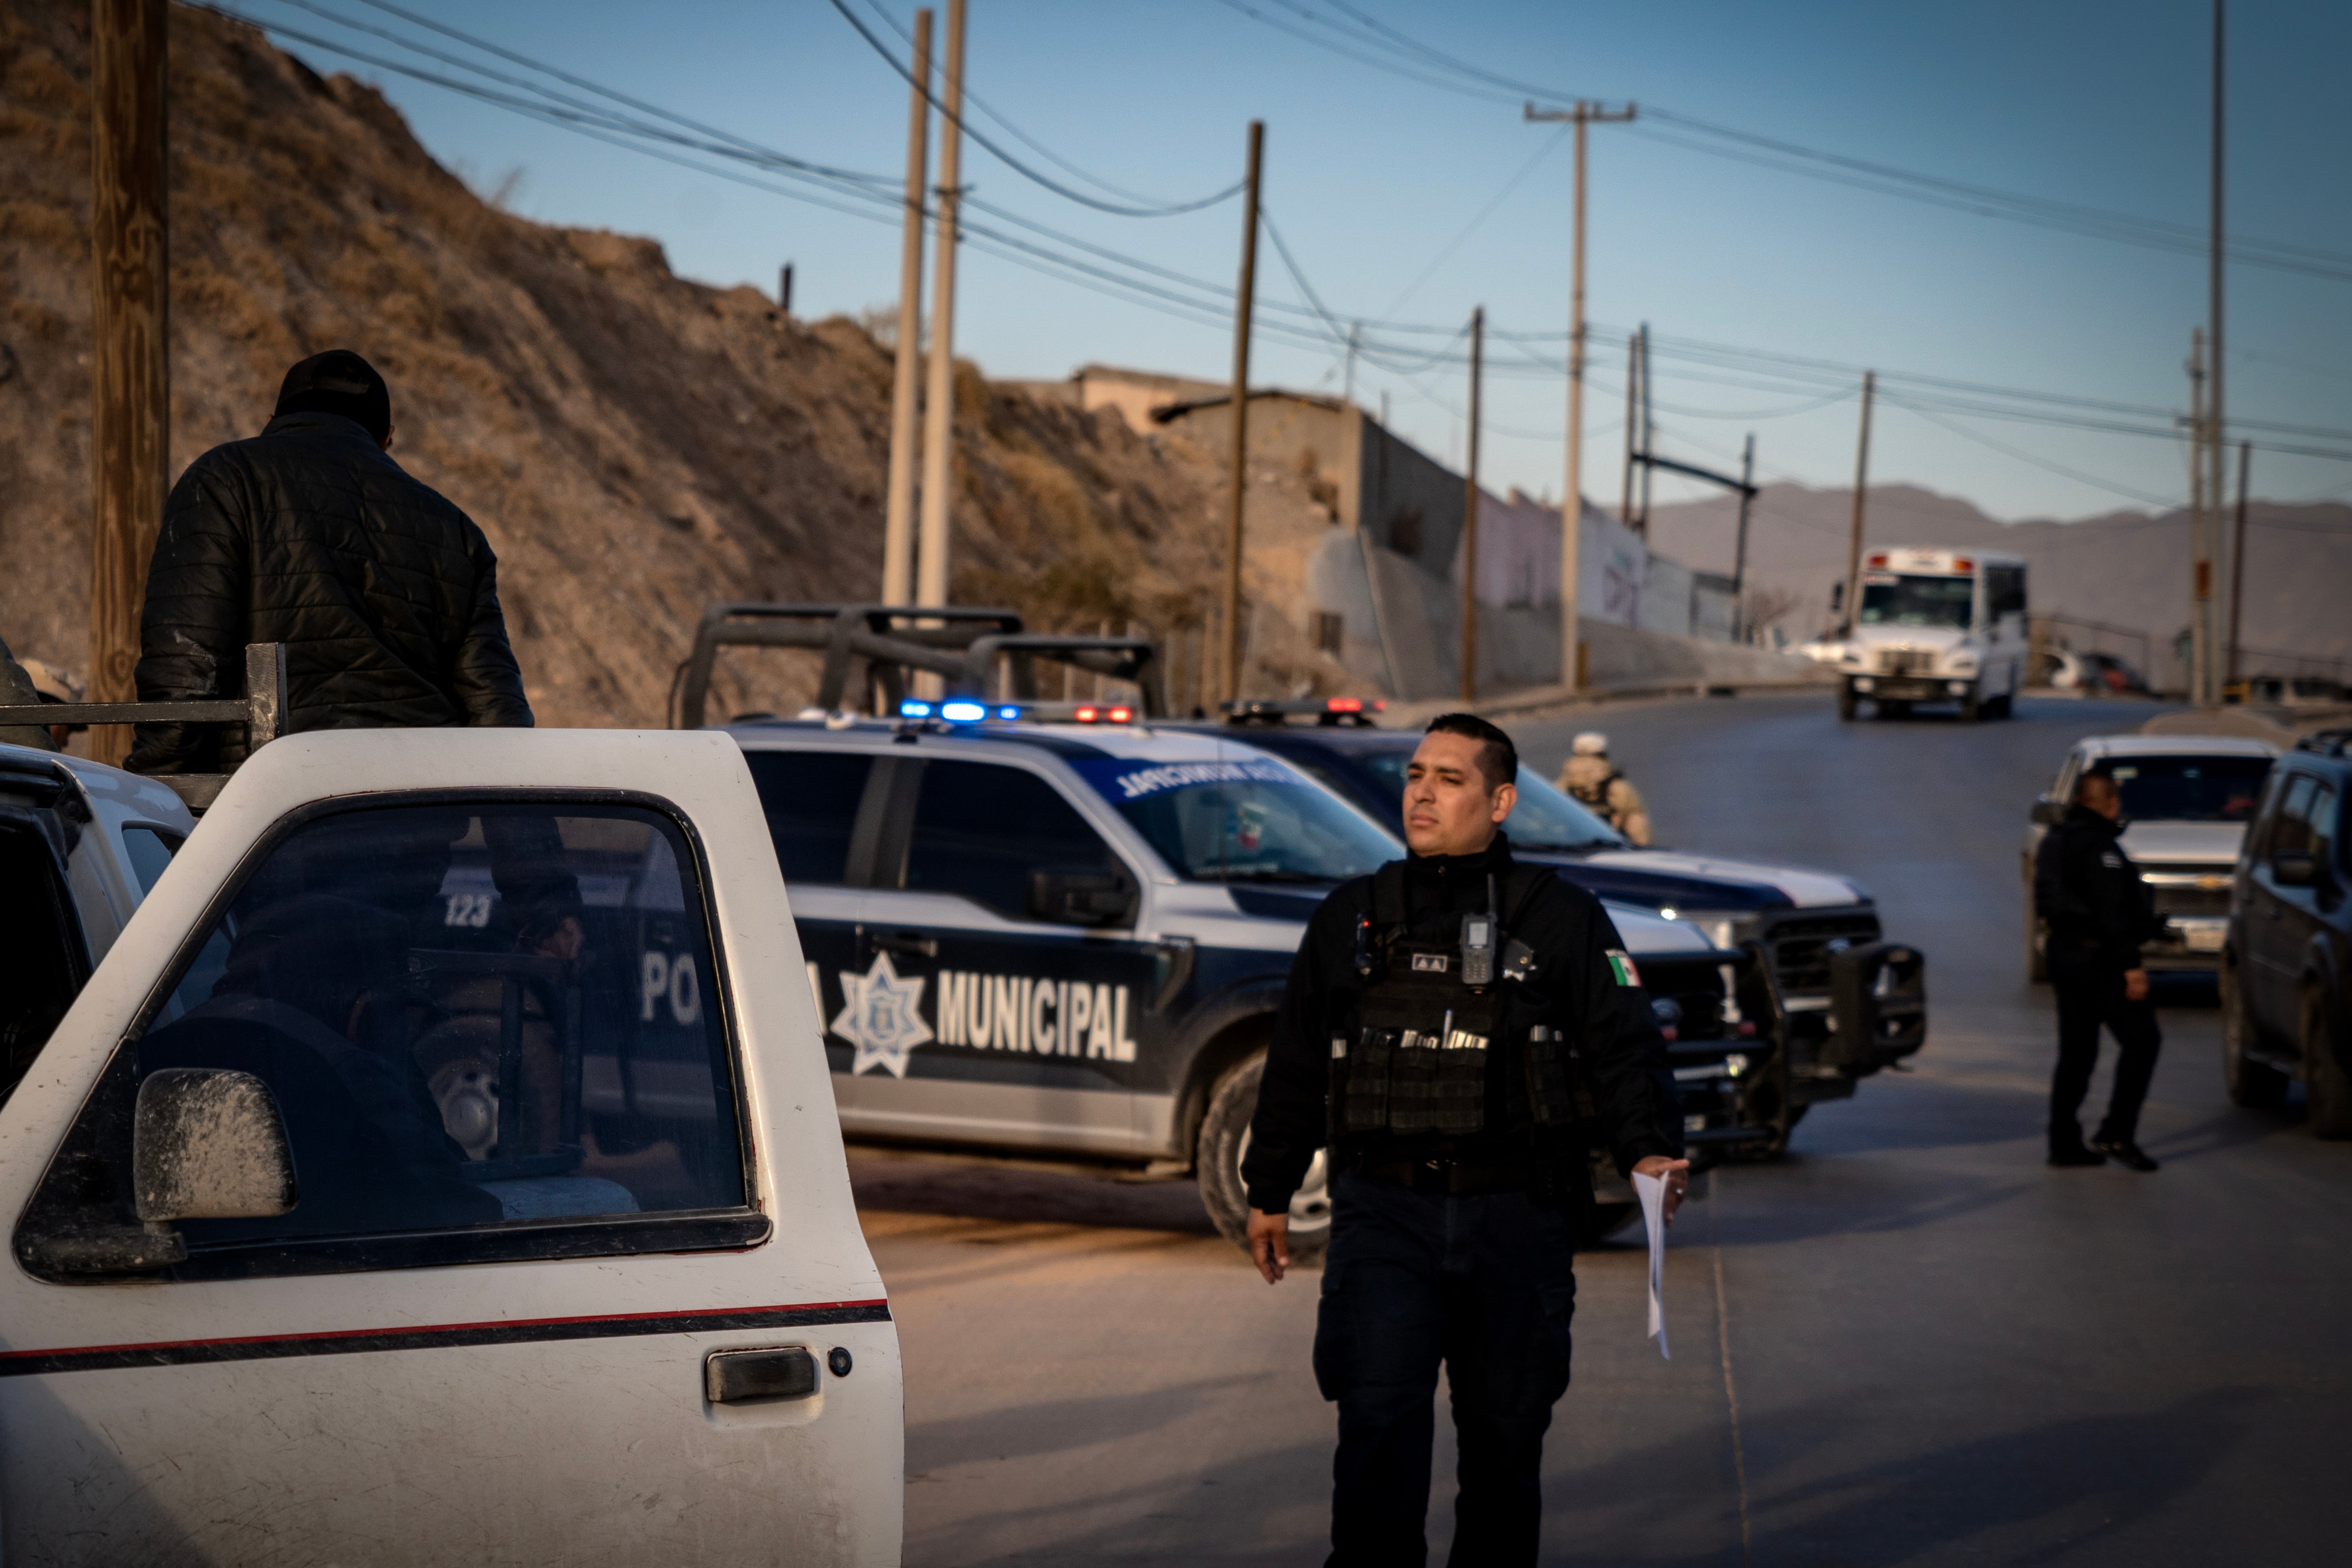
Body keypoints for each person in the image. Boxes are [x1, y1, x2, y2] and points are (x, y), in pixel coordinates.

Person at [1242, 712, 1687, 1567]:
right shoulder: (1351, 918)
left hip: (1516, 1215)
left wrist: (1650, 1146)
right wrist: (1270, 1187)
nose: (1422, 792)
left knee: (1505, 1449)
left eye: (1449, 778)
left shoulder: (1563, 917)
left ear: (1502, 800)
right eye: (1415, 774)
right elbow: (1297, 1061)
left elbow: (1623, 1044)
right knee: (1375, 1428)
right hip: (1384, 1212)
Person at [128, 350, 532, 776]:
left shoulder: (225, 480)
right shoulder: (457, 530)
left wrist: (155, 801)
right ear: (386, 438)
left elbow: (186, 675)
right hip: (417, 816)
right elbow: (499, 716)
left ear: (272, 420)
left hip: (273, 817)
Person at [2034, 771, 2167, 1171]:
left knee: (2076, 1052)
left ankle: (2063, 1142)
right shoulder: (2101, 848)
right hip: (2099, 960)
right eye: (2117, 803)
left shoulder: (2055, 841)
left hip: (2064, 954)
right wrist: (2133, 968)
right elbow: (2112, 915)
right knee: (2143, 1040)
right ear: (2109, 804)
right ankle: (2116, 1133)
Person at [1557, 731, 1652, 845]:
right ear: (1603, 753)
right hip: (1609, 847)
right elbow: (1634, 821)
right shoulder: (1616, 785)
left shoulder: (1560, 787)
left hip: (1570, 847)